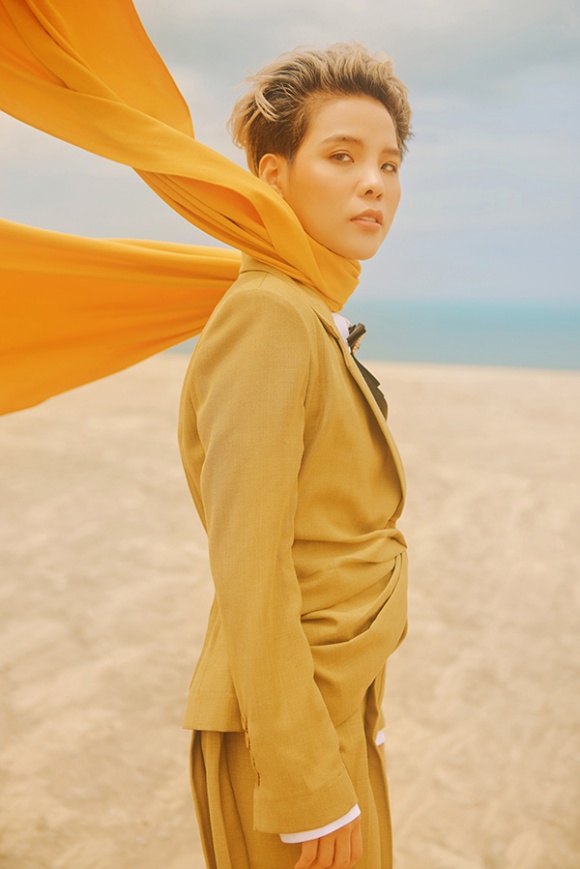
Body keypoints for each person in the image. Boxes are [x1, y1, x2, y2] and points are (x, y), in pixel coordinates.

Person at [178, 44, 412, 869]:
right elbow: (252, 566)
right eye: (341, 156)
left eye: (388, 163)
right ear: (274, 178)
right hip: (285, 735)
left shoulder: (307, 309)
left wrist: (363, 710)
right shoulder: (269, 316)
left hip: (333, 705)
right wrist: (305, 779)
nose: (373, 182)